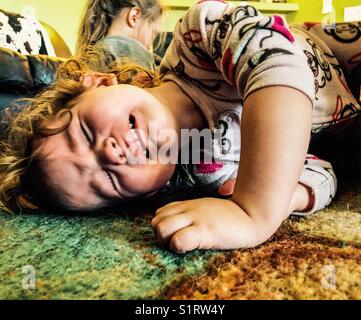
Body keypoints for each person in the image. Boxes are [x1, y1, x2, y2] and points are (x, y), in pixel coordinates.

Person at [1, 1, 360, 254]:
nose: (110, 154)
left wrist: (255, 211)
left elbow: (278, 62)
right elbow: (322, 172)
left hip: (343, 53)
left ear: (97, 82)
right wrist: (286, 195)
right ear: (140, 197)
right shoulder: (207, 177)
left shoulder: (196, 38)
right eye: (107, 182)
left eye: (85, 133)